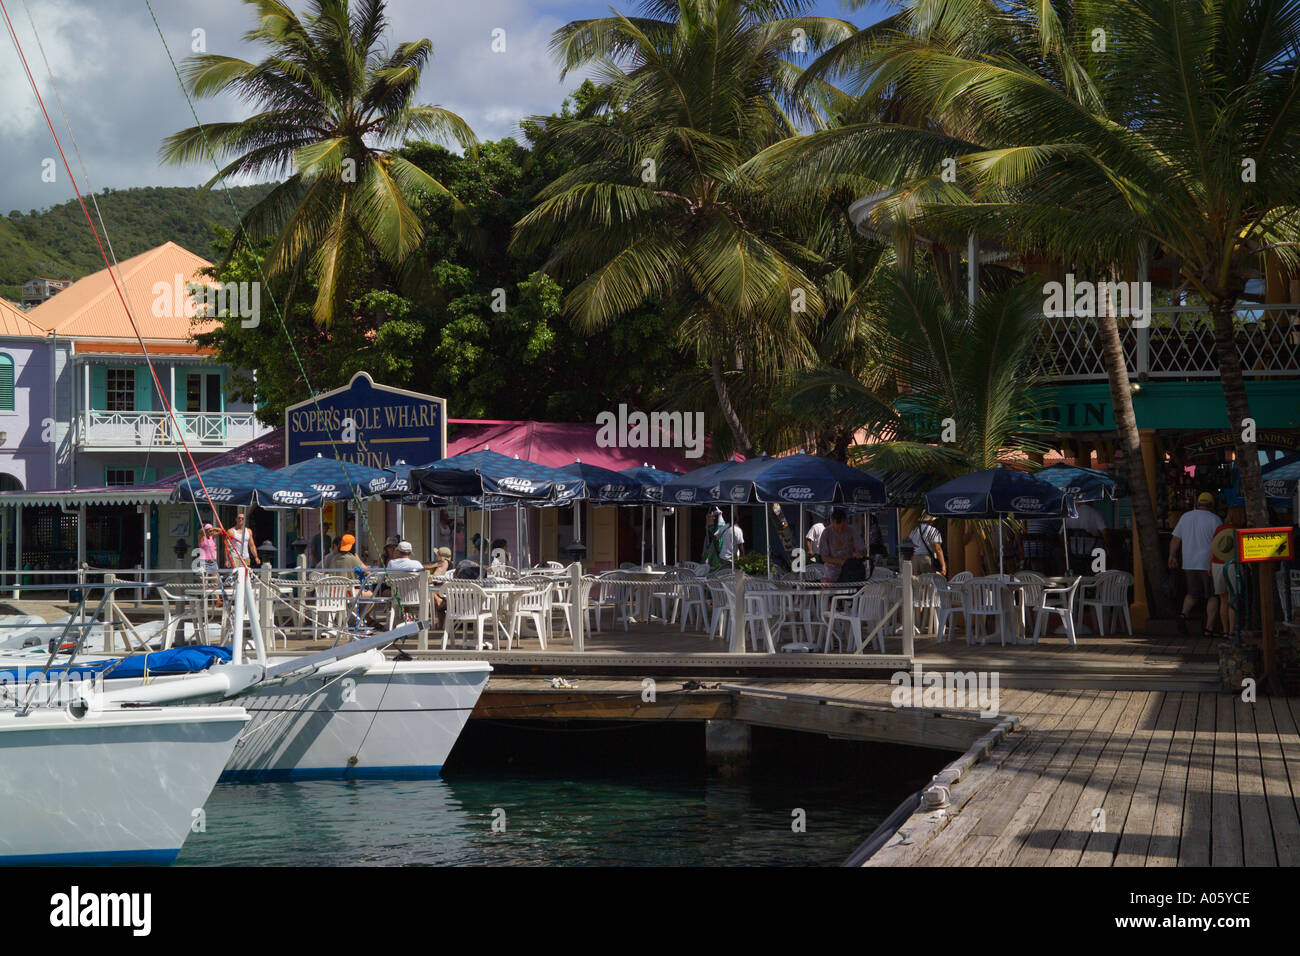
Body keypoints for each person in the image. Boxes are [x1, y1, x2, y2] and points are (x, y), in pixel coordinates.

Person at [1169, 492, 1222, 633]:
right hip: (1208, 563)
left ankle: (1183, 615)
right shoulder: (1215, 519)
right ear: (1211, 505)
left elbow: (1175, 539)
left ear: (1198, 503)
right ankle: (1209, 628)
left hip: (1189, 562)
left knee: (1192, 593)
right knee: (1212, 595)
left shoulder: (1185, 517)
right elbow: (1220, 542)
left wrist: (1171, 556)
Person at [1209, 506, 1244, 638]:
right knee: (1233, 600)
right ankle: (1232, 631)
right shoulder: (1238, 531)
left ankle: (1225, 630)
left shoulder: (1219, 529)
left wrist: (1209, 565)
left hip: (1217, 564)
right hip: (1232, 565)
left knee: (1223, 600)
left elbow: (1212, 548)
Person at [819, 509, 865, 583]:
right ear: (832, 522)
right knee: (831, 593)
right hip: (831, 573)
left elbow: (863, 549)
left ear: (846, 521)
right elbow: (824, 557)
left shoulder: (852, 530)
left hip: (850, 571)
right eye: (837, 528)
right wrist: (841, 561)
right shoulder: (826, 533)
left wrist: (859, 553)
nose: (840, 530)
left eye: (843, 527)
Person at [1065, 503, 1108, 576]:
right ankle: (1101, 576)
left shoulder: (1071, 515)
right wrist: (1108, 546)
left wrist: (1067, 549)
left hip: (1073, 551)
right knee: (1106, 551)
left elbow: (1061, 533)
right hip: (1094, 551)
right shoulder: (1095, 513)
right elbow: (1105, 532)